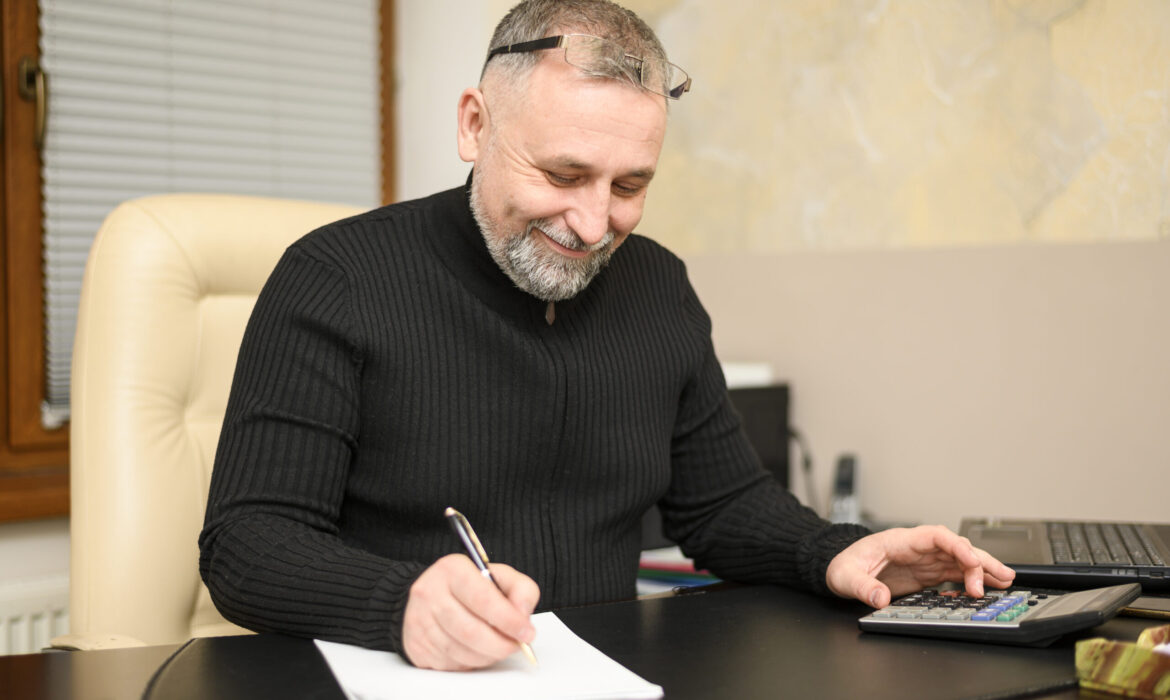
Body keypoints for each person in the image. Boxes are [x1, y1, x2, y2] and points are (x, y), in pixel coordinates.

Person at [199, 0, 1014, 672]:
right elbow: (248, 544)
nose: (593, 225)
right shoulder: (334, 277)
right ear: (475, 126)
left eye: (630, 185)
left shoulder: (658, 285)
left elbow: (722, 504)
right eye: (561, 175)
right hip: (394, 676)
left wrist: (836, 553)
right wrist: (400, 605)